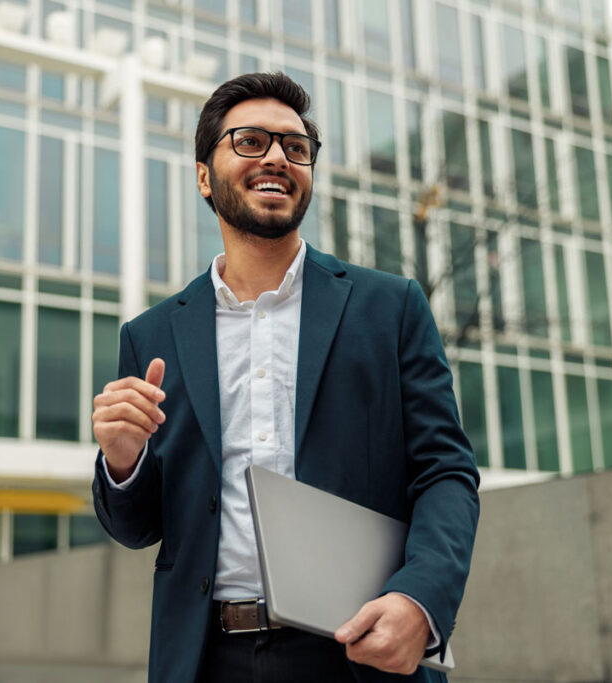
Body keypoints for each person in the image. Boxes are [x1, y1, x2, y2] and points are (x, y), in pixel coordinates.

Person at [92, 72, 479, 683]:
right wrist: (122, 462)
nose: (276, 156)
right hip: (202, 660)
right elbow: (138, 527)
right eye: (250, 141)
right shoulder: (152, 336)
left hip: (357, 654)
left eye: (295, 147)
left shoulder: (392, 308)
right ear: (203, 176)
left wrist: (420, 598)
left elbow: (446, 472)